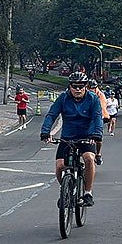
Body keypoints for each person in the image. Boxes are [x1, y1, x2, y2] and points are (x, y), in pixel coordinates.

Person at [40, 73, 106, 207]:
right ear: (69, 87)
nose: (78, 89)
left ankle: (88, 193)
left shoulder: (93, 99)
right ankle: (66, 191)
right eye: (74, 86)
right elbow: (52, 115)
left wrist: (96, 134)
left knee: (88, 158)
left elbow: (97, 117)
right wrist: (45, 132)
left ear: (85, 87)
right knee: (59, 166)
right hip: (67, 137)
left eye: (81, 86)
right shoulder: (63, 98)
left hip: (86, 137)